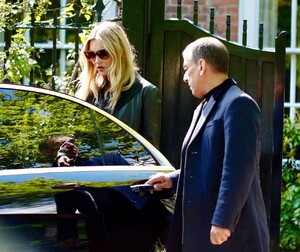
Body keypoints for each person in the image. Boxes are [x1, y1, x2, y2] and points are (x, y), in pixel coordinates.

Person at [146, 37, 270, 252]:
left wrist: (223, 220)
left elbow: (239, 168)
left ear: (201, 66)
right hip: (203, 229)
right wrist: (172, 179)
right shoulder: (203, 106)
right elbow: (206, 160)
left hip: (230, 234)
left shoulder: (239, 104)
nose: (184, 78)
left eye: (187, 69)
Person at [75, 21, 162, 148]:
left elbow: (149, 150)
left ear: (119, 52)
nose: (96, 60)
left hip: (122, 166)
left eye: (103, 53)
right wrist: (64, 155)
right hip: (89, 166)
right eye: (91, 55)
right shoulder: (89, 91)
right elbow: (75, 137)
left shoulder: (146, 92)